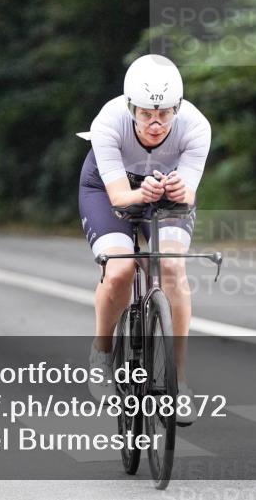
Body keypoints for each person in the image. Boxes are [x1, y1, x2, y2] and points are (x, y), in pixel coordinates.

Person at [79, 54, 211, 426]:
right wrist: (142, 193)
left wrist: (177, 191)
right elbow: (120, 198)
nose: (155, 124)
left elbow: (187, 195)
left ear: (177, 109)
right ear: (130, 108)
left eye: (165, 114)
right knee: (119, 271)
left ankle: (178, 382)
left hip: (164, 193)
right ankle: (102, 354)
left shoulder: (196, 126)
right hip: (108, 189)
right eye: (146, 114)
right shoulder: (108, 121)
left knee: (172, 268)